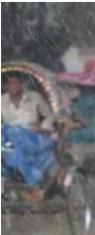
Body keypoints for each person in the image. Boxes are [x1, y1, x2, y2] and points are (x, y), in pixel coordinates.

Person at [1, 73, 58, 201]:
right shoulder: (1, 101)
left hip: (33, 137)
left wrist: (42, 126)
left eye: (14, 83)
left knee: (17, 144)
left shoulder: (34, 98)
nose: (12, 87)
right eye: (9, 84)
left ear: (21, 84)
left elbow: (50, 116)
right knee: (8, 140)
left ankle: (25, 179)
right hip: (9, 138)